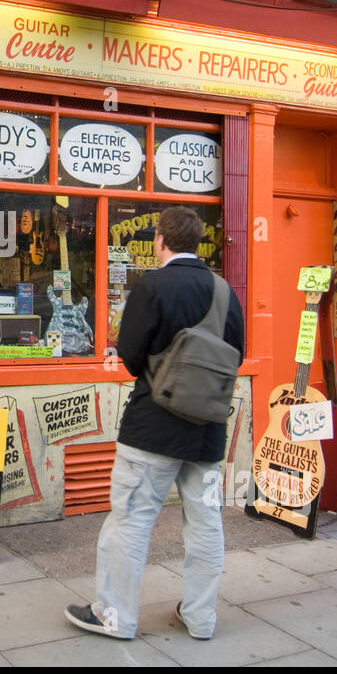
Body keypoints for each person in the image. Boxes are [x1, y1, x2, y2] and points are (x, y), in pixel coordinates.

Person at [64, 206, 244, 640]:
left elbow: (128, 357)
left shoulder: (153, 286)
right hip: (206, 432)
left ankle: (114, 616)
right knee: (205, 523)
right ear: (198, 243)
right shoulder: (224, 291)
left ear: (161, 241)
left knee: (131, 519)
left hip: (152, 429)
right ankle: (201, 618)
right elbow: (235, 353)